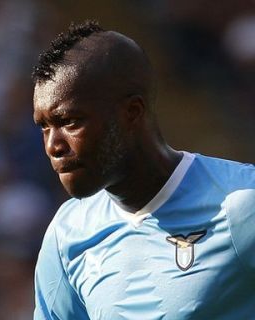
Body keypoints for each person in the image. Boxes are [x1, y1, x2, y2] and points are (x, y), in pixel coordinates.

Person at [32, 20, 255, 319]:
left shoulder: (240, 206)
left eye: (70, 122)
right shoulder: (67, 235)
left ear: (132, 113)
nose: (53, 145)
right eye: (44, 127)